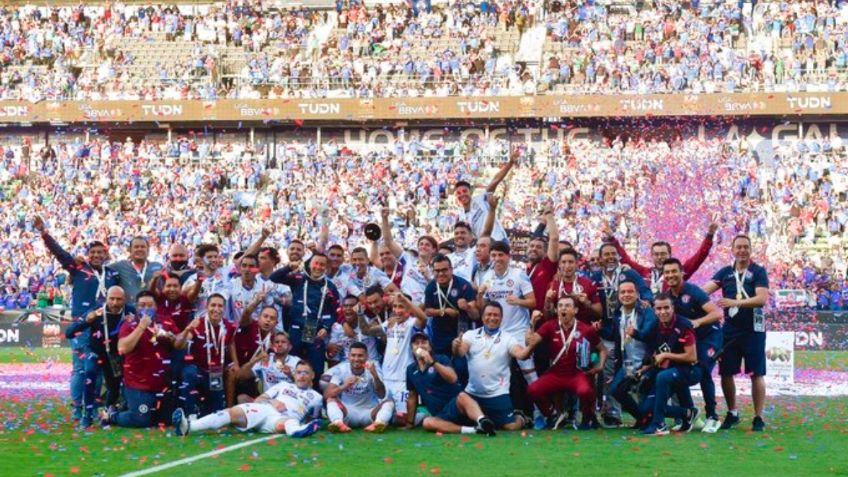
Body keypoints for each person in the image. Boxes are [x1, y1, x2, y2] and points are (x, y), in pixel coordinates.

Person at [34, 215, 120, 426]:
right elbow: (60, 254)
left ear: (106, 255)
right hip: (82, 326)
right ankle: (77, 408)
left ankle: (94, 406)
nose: (97, 255)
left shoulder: (112, 274)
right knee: (81, 368)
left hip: (104, 327)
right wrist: (44, 233)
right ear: (88, 255)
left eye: (101, 252)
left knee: (98, 367)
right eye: (93, 253)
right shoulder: (78, 268)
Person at [432, 302, 533, 435]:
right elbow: (460, 352)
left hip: (497, 394)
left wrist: (531, 346)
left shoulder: (508, 338)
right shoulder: (470, 335)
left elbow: (521, 355)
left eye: (496, 315)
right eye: (489, 314)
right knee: (456, 402)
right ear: (482, 317)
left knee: (511, 427)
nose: (492, 318)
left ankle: (522, 418)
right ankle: (478, 425)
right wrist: (455, 346)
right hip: (472, 394)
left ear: (501, 318)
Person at [703, 235, 769, 432]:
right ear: (732, 250)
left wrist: (735, 302)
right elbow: (704, 291)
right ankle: (732, 413)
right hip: (730, 331)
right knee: (726, 373)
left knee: (756, 373)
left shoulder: (758, 271)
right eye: (738, 247)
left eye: (745, 247)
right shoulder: (725, 272)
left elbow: (762, 299)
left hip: (753, 331)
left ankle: (758, 416)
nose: (742, 250)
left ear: (750, 250)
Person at [173, 361, 323, 438]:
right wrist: (273, 401)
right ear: (294, 374)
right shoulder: (283, 385)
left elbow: (314, 418)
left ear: (312, 376)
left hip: (283, 419)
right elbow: (260, 399)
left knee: (288, 423)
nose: (301, 375)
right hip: (265, 409)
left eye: (306, 373)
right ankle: (188, 427)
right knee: (231, 413)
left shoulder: (317, 397)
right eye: (298, 372)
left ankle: (296, 431)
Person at [476, 240, 539, 424]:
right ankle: (498, 414)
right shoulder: (487, 277)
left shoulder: (519, 275)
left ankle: (540, 413)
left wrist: (518, 301)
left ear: (508, 257)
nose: (497, 259)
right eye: (494, 255)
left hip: (518, 330)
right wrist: (480, 295)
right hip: (497, 332)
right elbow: (483, 309)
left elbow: (533, 302)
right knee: (496, 373)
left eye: (500, 255)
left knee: (529, 372)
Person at [592, 242, 653, 427]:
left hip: (630, 326)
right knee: (609, 375)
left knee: (641, 379)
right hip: (608, 330)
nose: (610, 257)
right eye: (606, 254)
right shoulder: (595, 277)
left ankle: (645, 412)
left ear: (619, 256)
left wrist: (646, 302)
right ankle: (612, 413)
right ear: (600, 258)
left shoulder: (630, 274)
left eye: (613, 254)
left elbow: (646, 292)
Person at [524, 295, 607, 430]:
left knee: (585, 391)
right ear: (556, 310)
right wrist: (532, 321)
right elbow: (530, 342)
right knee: (533, 389)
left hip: (577, 374)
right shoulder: (549, 326)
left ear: (575, 310)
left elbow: (602, 350)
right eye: (560, 306)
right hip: (556, 373)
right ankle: (553, 416)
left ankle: (587, 418)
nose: (563, 308)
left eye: (567, 306)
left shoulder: (586, 329)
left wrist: (600, 365)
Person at [662, 258, 724, 433]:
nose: (670, 275)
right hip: (692, 339)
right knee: (679, 369)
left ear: (682, 272)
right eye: (667, 272)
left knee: (703, 367)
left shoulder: (694, 291)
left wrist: (697, 322)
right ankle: (692, 415)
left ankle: (712, 416)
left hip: (710, 337)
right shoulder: (668, 295)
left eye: (674, 271)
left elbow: (717, 313)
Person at [102, 291, 179, 428]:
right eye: (142, 305)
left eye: (150, 305)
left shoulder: (165, 321)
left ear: (156, 306)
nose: (146, 309)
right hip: (138, 384)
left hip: (162, 384)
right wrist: (141, 326)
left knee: (166, 421)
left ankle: (127, 405)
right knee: (141, 420)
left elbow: (178, 343)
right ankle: (113, 414)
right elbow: (123, 348)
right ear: (136, 307)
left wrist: (171, 338)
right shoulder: (129, 324)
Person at [65, 286, 135, 422]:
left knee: (114, 386)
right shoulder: (97, 310)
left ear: (124, 300)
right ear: (106, 299)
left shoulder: (130, 311)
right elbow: (69, 333)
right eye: (112, 299)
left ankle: (107, 412)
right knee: (90, 372)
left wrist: (134, 323)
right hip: (95, 351)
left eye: (119, 299)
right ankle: (87, 414)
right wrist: (87, 320)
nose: (115, 303)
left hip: (115, 355)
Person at [269, 252, 340, 379]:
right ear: (310, 264)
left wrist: (326, 327)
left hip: (313, 329)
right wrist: (289, 267)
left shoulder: (330, 287)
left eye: (322, 264)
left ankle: (314, 395)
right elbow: (274, 277)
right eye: (315, 263)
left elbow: (335, 312)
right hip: (296, 327)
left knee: (316, 368)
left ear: (326, 267)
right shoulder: (299, 279)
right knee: (292, 365)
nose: (318, 267)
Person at [640, 293, 702, 436]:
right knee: (646, 408)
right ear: (654, 310)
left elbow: (692, 357)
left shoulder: (684, 325)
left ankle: (659, 425)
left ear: (673, 307)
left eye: (666, 307)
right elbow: (654, 352)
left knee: (663, 376)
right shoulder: (655, 325)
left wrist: (666, 355)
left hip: (690, 370)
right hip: (669, 371)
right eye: (659, 308)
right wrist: (645, 367)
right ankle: (688, 413)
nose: (663, 312)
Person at [604, 220, 718, 294]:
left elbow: (698, 258)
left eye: (663, 254)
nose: (660, 257)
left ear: (670, 255)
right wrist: (612, 238)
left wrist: (709, 235)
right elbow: (625, 259)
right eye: (656, 254)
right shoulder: (644, 272)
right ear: (652, 256)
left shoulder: (677, 273)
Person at [175, 293, 236, 418]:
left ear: (224, 309)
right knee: (189, 373)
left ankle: (204, 414)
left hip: (216, 372)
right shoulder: (198, 324)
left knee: (215, 412)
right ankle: (189, 414)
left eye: (220, 306)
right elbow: (178, 345)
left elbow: (230, 343)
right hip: (198, 369)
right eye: (213, 305)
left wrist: (235, 362)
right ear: (206, 306)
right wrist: (187, 329)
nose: (216, 309)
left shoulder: (229, 326)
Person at [608, 281, 657, 428]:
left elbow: (650, 333)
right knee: (616, 390)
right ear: (618, 295)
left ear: (637, 294)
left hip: (646, 362)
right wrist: (597, 329)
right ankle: (643, 418)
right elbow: (615, 339)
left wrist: (635, 333)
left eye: (630, 292)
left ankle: (684, 413)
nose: (626, 295)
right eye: (622, 292)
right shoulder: (618, 314)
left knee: (645, 392)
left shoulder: (646, 310)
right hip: (627, 362)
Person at [322, 342, 395, 432]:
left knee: (389, 402)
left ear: (367, 356)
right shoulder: (341, 369)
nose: (356, 359)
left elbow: (381, 395)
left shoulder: (373, 368)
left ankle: (378, 423)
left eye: (360, 356)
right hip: (348, 413)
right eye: (353, 355)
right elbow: (327, 395)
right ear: (348, 356)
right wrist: (344, 386)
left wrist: (375, 376)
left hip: (369, 412)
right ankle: (338, 423)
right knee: (331, 400)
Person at [454, 147, 517, 242]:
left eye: (464, 191)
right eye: (458, 193)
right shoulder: (462, 216)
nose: (462, 195)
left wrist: (510, 163)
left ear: (470, 192)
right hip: (484, 246)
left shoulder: (480, 198)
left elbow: (495, 181)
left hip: (498, 240)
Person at [227, 291, 279, 406]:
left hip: (253, 369)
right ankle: (229, 408)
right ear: (259, 318)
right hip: (236, 362)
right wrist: (256, 302)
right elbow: (246, 314)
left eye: (272, 318)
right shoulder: (250, 325)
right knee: (232, 372)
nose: (268, 320)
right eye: (265, 316)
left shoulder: (275, 338)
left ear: (276, 323)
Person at [405, 332, 464, 429]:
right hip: (440, 416)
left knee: (464, 397)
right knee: (427, 423)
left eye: (424, 342)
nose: (420, 346)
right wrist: (409, 423)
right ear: (412, 349)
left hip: (456, 408)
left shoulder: (441, 359)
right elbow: (412, 396)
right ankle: (471, 430)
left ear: (430, 347)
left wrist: (432, 362)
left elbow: (453, 379)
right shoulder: (411, 369)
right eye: (416, 343)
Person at [381, 207, 438, 305]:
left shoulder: (436, 269)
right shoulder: (408, 259)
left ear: (433, 250)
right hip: (403, 305)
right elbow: (389, 242)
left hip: (422, 309)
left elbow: (439, 291)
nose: (423, 246)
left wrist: (429, 277)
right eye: (421, 244)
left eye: (427, 245)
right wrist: (384, 219)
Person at [545, 249, 602, 324]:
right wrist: (548, 301)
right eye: (563, 262)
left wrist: (587, 303)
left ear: (577, 264)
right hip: (559, 331)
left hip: (583, 330)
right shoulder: (552, 285)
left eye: (571, 262)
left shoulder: (588, 283)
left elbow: (599, 314)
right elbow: (547, 317)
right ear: (559, 264)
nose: (567, 266)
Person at [110, 236, 163, 307]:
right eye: (136, 247)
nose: (140, 249)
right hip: (129, 313)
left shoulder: (158, 266)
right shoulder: (119, 266)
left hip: (151, 311)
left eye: (143, 247)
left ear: (148, 251)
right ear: (130, 250)